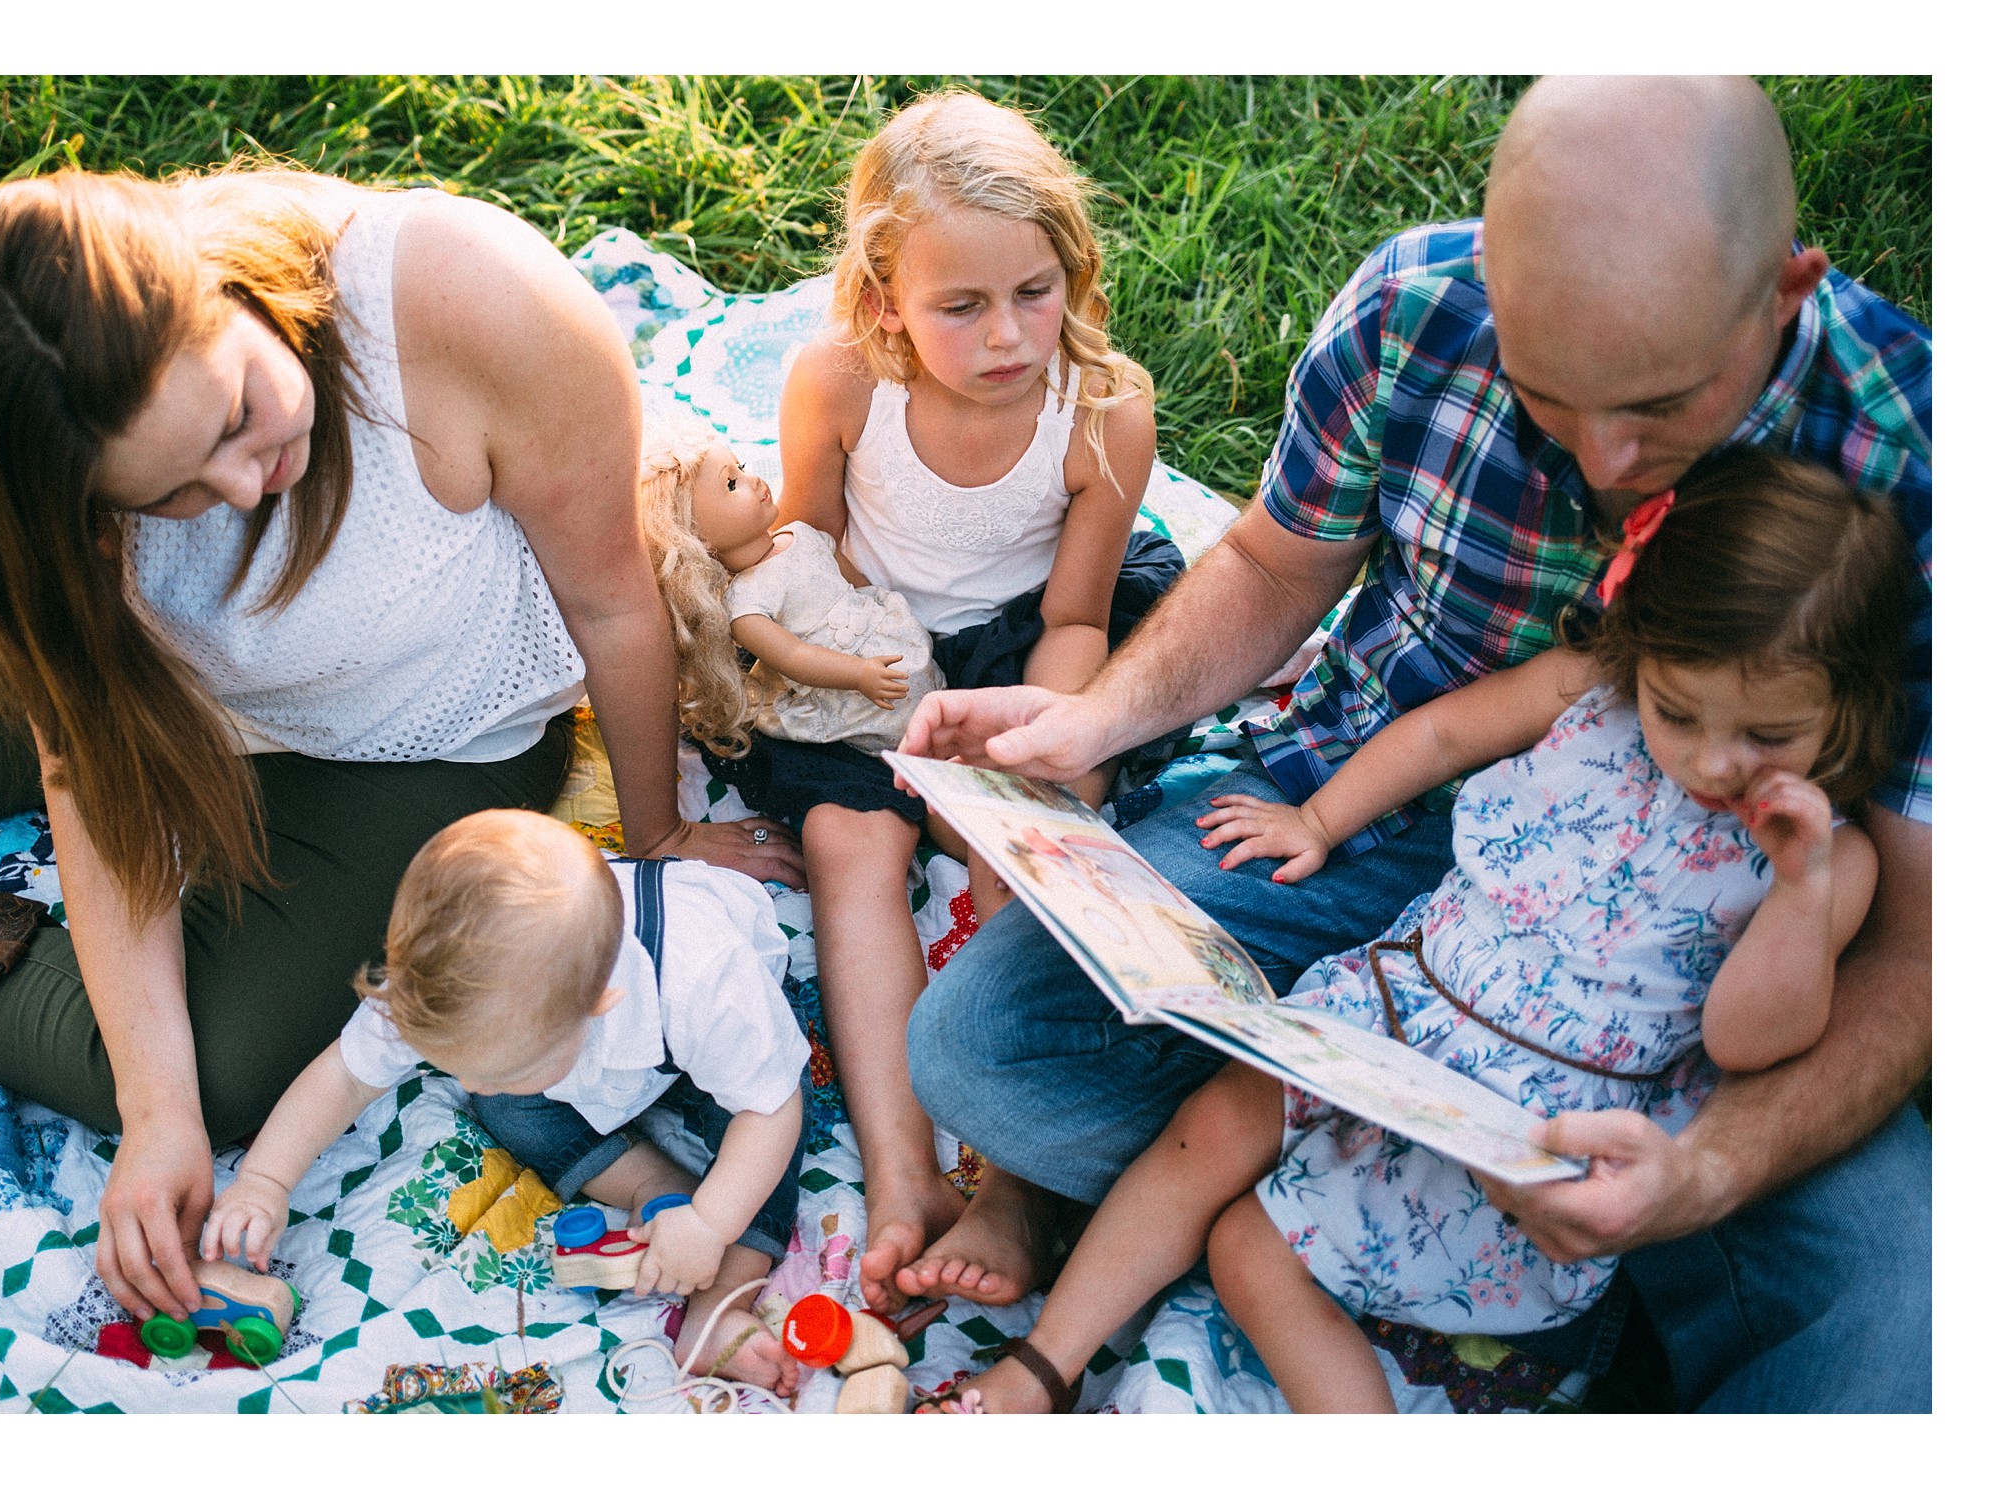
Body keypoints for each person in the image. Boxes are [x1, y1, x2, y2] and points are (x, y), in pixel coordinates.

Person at [900, 76, 1931, 1412]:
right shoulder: (1411, 309)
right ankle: (1512, 1290)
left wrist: (1707, 1171)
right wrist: (1096, 717)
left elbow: (1918, 945)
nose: (1610, 463)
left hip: (1679, 978)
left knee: (1905, 1306)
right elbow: (1274, 566)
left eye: (1663, 407)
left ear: (1786, 290)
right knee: (981, 1048)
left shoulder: (1927, 454)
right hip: (1361, 813)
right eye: (1548, 397)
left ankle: (1555, 1257)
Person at [0, 163, 805, 1330]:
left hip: (410, 744)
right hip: (166, 694)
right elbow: (85, 765)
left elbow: (612, 602)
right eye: (168, 494)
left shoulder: (468, 305)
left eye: (238, 416)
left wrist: (662, 833)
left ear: (221, 286)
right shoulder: (49, 498)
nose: (241, 484)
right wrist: (155, 1110)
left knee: (219, 1073)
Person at [939, 449, 1910, 1412]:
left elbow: (1748, 1040)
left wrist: (1797, 883)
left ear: (1848, 710)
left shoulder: (1824, 858)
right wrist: (1319, 821)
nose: (1710, 759)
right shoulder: (1592, 690)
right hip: (1400, 1003)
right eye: (1679, 711)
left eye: (1768, 737)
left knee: (1248, 1247)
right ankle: (1042, 1364)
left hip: (1526, 1122)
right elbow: (1445, 733)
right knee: (1213, 1126)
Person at [715, 89, 1185, 1309]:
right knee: (845, 845)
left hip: (1026, 639)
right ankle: (900, 1172)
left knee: (1018, 841)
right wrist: (832, 670)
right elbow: (802, 544)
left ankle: (1014, 1179)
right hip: (872, 641)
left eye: (1036, 292)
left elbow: (1079, 616)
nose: (1007, 337)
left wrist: (1041, 743)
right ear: (884, 305)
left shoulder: (1102, 413)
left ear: (1071, 271)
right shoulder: (840, 383)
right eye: (959, 307)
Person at [203, 809, 810, 1395]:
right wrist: (263, 1181)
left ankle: (718, 1306)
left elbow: (770, 1111)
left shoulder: (707, 978)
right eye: (459, 1065)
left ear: (597, 1007)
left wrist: (709, 1223)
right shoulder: (440, 980)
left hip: (716, 1040)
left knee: (761, 1140)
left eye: (504, 1067)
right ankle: (654, 1183)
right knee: (505, 1110)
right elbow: (345, 1075)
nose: (478, 1081)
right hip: (605, 1047)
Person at [636, 430, 944, 760]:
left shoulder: (800, 533)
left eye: (741, 468)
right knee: (892, 720)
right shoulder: (744, 606)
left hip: (884, 640)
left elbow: (854, 583)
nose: (753, 480)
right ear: (695, 536)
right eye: (731, 484)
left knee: (923, 686)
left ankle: (944, 716)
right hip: (845, 681)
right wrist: (858, 674)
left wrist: (879, 610)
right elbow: (795, 658)